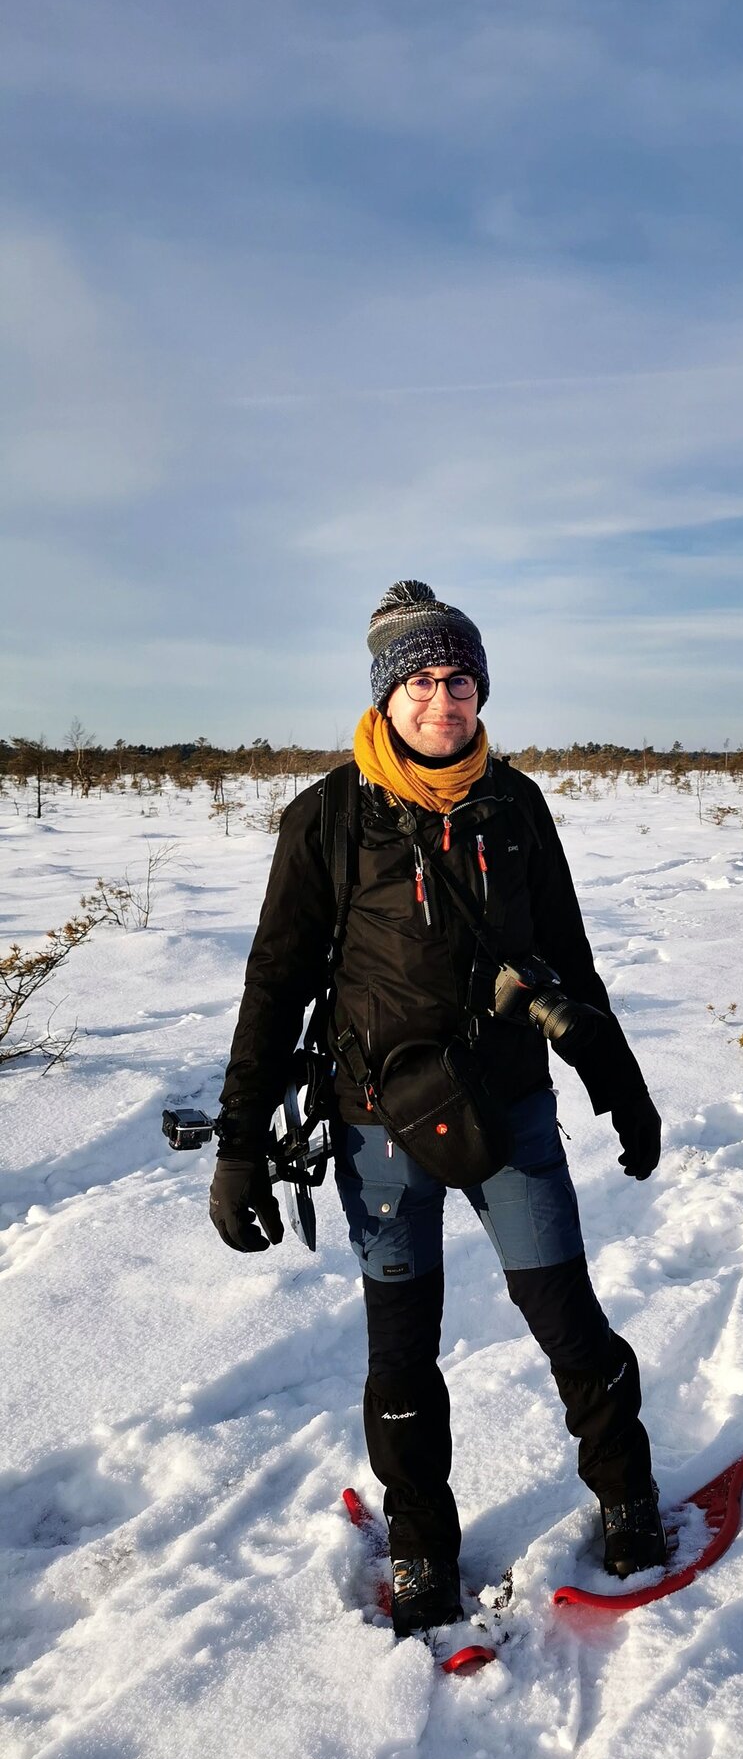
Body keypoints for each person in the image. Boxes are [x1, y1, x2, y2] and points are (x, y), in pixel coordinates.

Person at [208, 581, 667, 1637]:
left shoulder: (516, 806)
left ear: (479, 688)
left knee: (569, 1322)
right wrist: (239, 1144)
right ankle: (420, 1542)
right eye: (419, 680)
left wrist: (622, 1088)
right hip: (378, 1125)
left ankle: (627, 1491)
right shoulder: (326, 818)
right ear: (387, 695)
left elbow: (571, 958)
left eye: (457, 678)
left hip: (509, 1109)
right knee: (401, 1352)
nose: (441, 698)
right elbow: (275, 986)